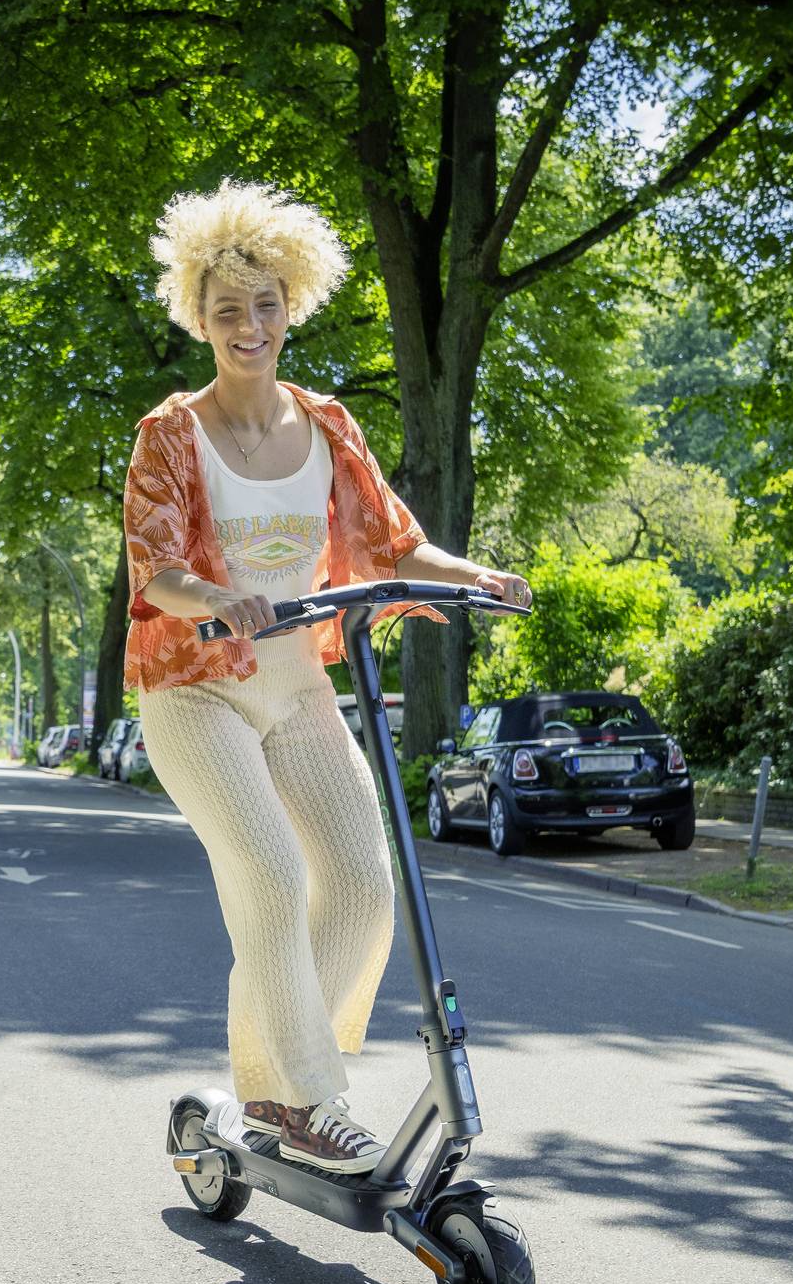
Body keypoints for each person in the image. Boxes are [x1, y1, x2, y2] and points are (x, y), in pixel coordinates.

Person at [124, 181, 529, 1175]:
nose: (248, 324)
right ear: (200, 316)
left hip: (300, 686)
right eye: (227, 309)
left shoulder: (329, 425)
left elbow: (398, 541)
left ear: (291, 303)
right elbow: (156, 566)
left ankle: (265, 1078)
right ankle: (310, 1100)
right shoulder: (171, 435)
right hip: (196, 690)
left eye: (266, 304)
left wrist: (474, 574)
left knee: (359, 884)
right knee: (270, 874)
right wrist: (214, 594)